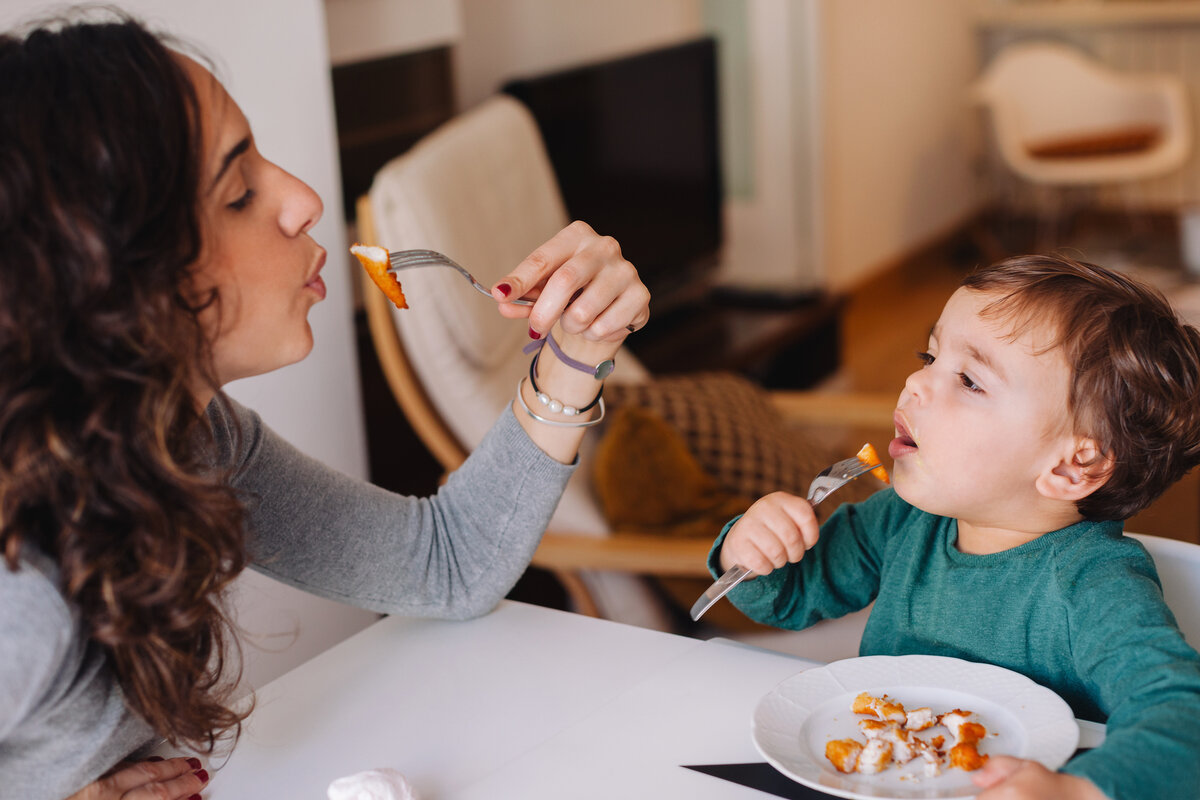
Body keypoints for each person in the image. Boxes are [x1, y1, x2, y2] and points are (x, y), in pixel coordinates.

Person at [0, 9, 650, 800]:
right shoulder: (23, 581)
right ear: (111, 275)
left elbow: (447, 565)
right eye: (239, 192)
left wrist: (576, 354)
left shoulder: (193, 437)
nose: (305, 199)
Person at [711, 254, 1200, 800]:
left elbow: (1181, 714)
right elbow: (792, 598)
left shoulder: (1094, 584)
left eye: (968, 380)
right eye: (930, 355)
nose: (916, 382)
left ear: (1070, 467)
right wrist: (753, 549)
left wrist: (1081, 792)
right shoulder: (902, 518)